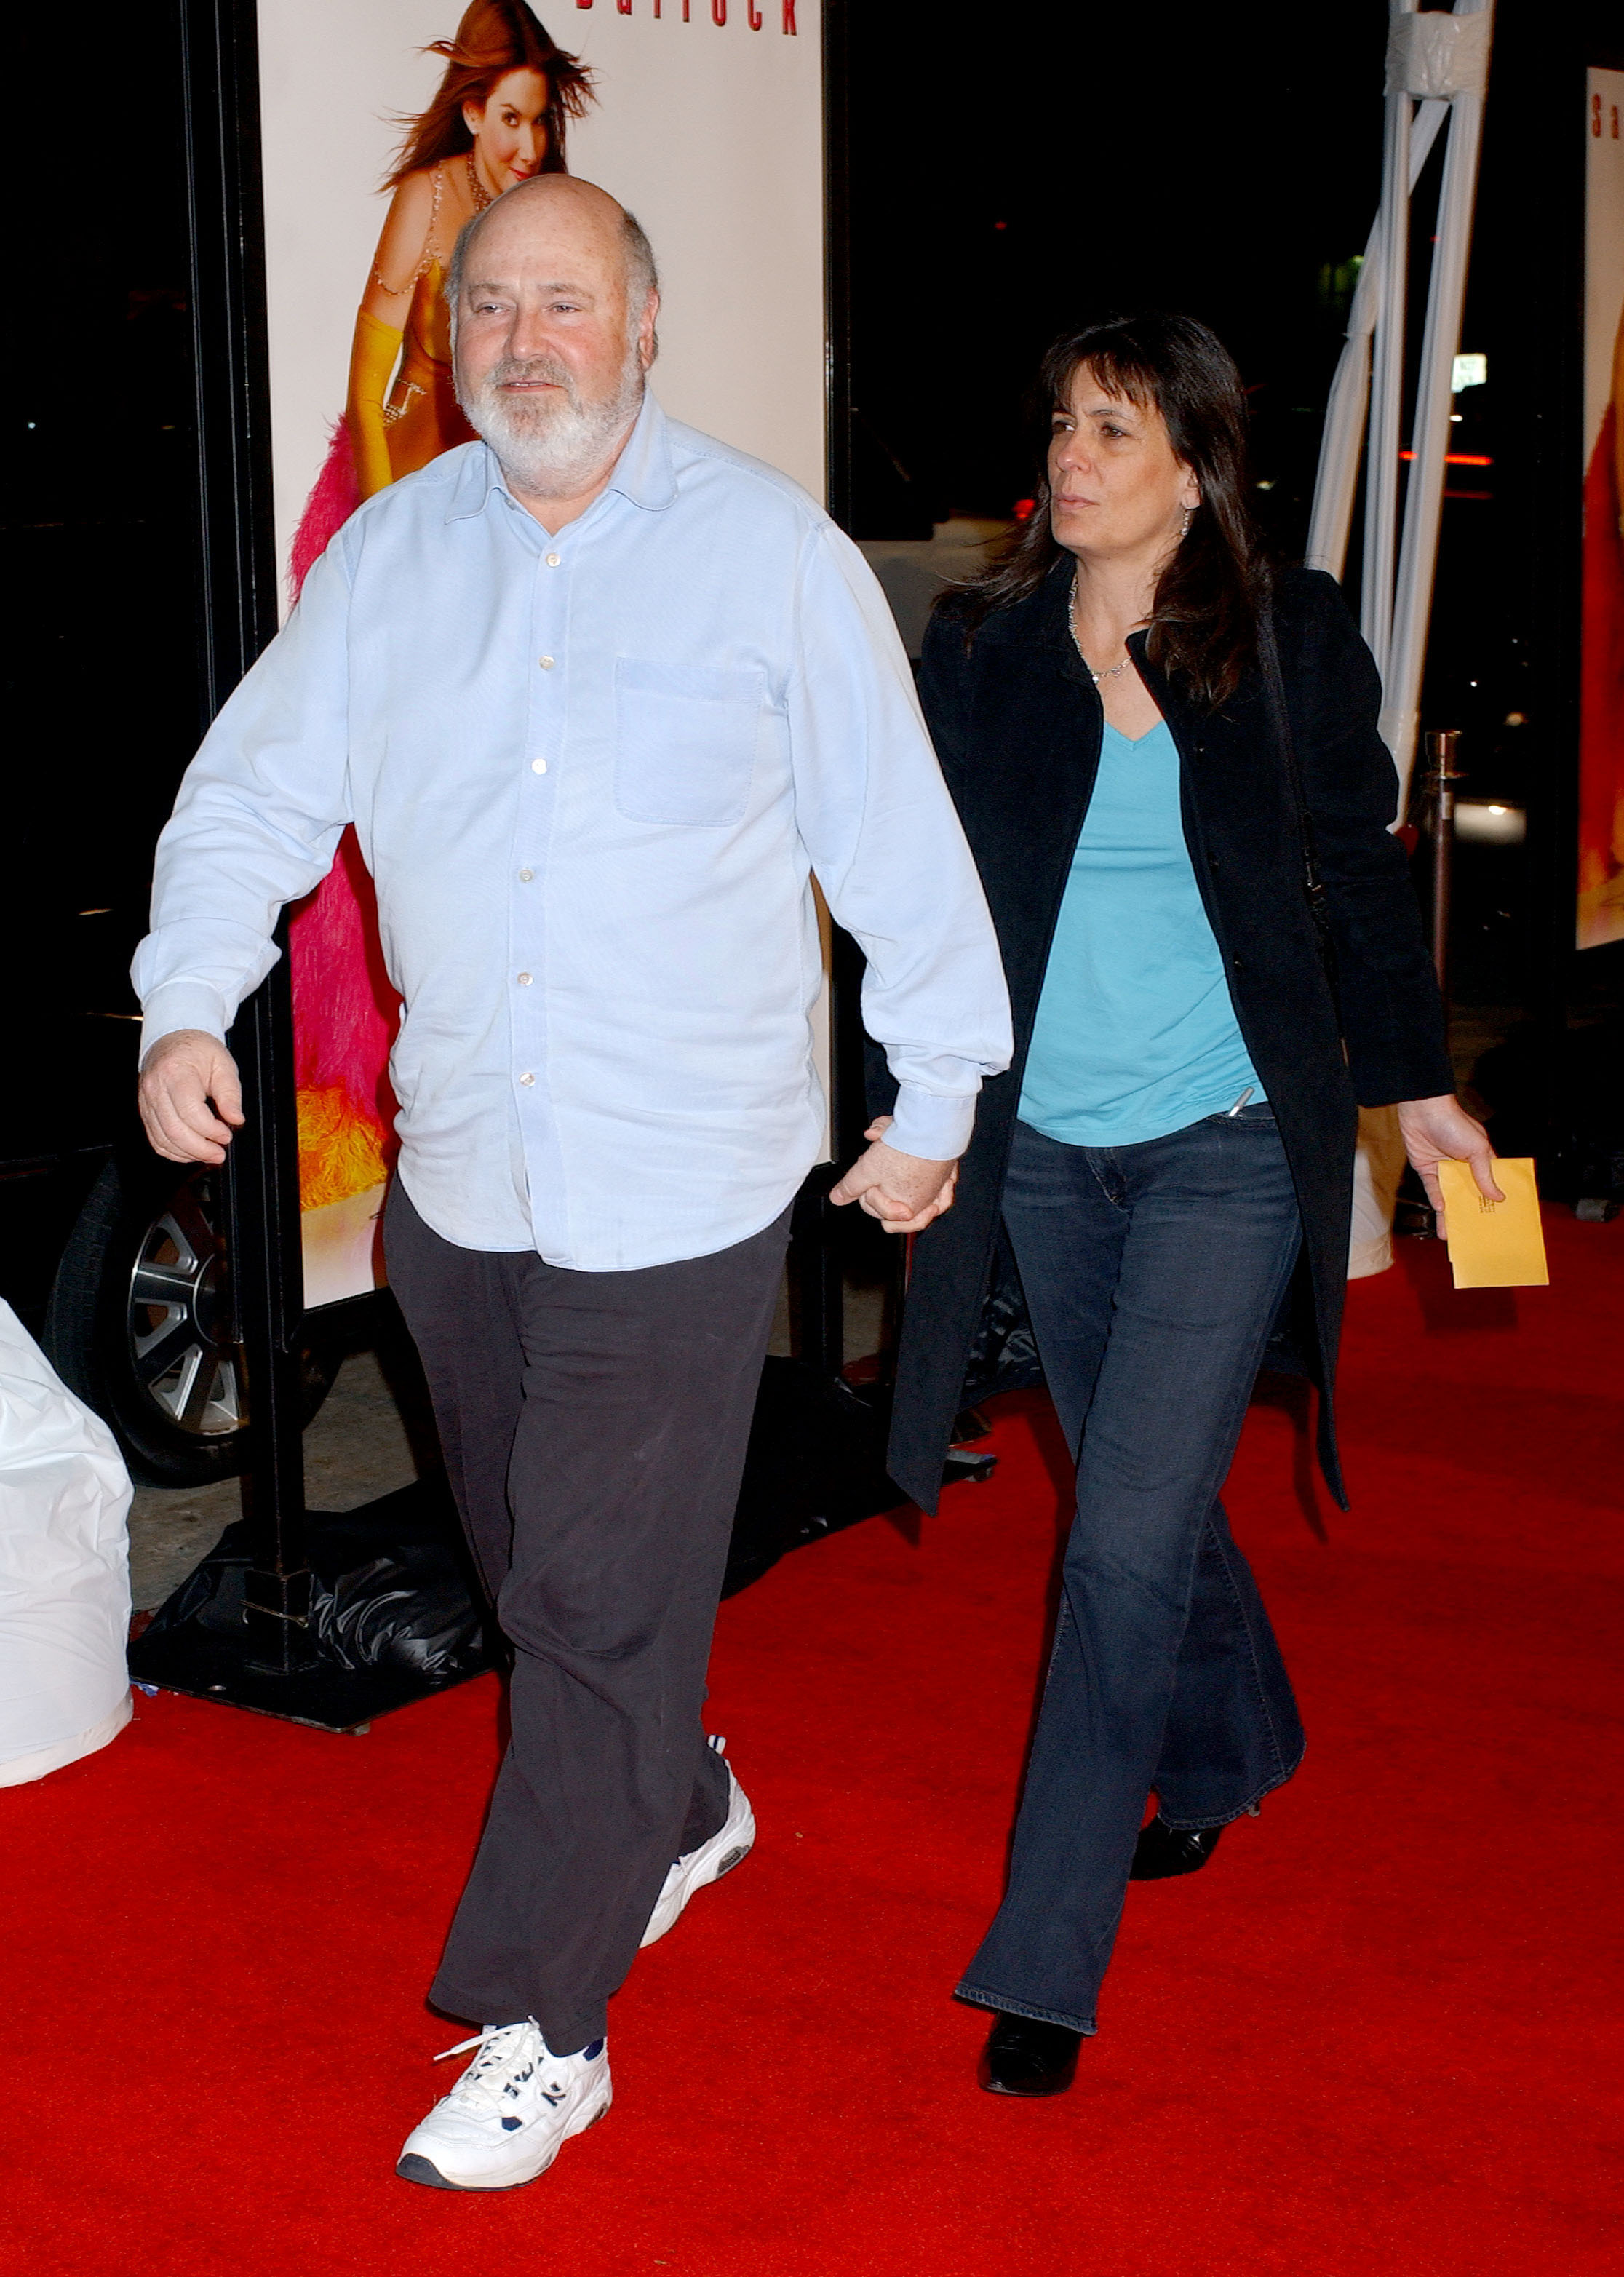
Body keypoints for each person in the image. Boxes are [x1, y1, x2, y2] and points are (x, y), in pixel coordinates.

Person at [132, 175, 1011, 2189]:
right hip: (468, 1175)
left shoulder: (769, 558)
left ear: (645, 326)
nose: (526, 342)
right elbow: (256, 790)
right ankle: (680, 1790)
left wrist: (938, 1090)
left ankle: (550, 2020)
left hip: (685, 1180)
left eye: (567, 304)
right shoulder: (393, 562)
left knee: (599, 1602)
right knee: (539, 1575)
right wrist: (191, 999)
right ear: (451, 345)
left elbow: (895, 837)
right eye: (491, 308)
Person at [878, 312, 1500, 2099]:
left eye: (1118, 432)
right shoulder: (987, 645)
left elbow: (1361, 880)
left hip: (1227, 1138)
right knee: (1138, 1491)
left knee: (1121, 1534)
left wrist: (1422, 1081)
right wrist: (903, 1105)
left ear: (1198, 464)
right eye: (1064, 423)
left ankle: (1046, 1960)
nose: (1075, 458)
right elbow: (923, 898)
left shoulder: (1285, 639)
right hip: (1049, 1151)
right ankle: (1236, 1746)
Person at [287, 2, 594, 1252]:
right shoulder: (426, 198)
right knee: (377, 822)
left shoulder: (533, 219)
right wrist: (386, 534)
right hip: (394, 506)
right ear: (471, 108)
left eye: (540, 119)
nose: (527, 141)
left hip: (500, 525)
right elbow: (370, 383)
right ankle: (358, 1110)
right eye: (510, 115)